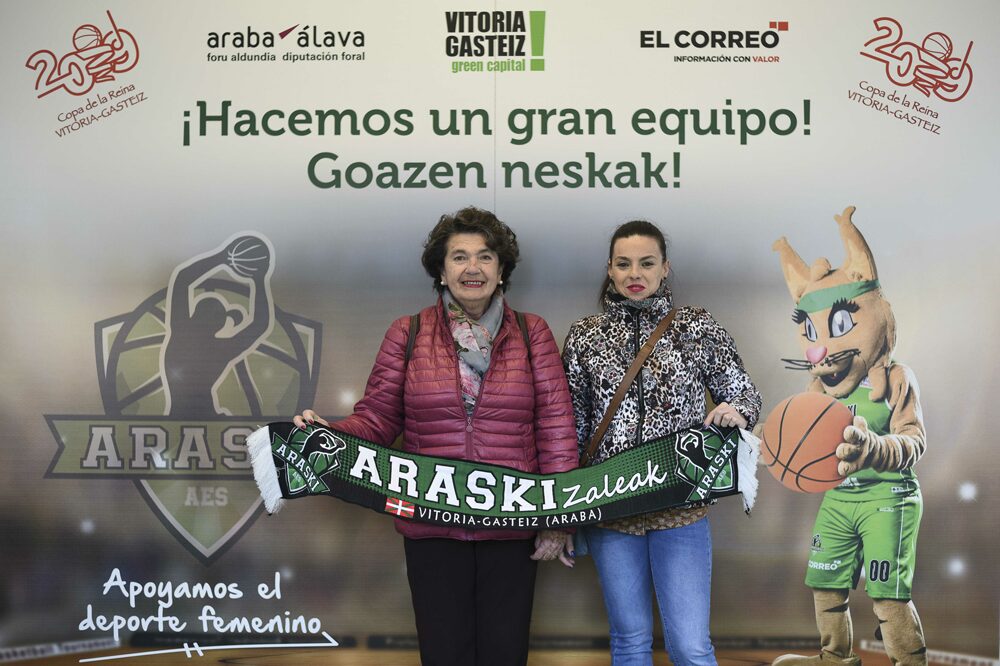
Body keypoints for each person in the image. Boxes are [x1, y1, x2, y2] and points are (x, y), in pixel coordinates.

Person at [294, 206, 578, 666]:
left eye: (485, 257)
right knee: (444, 654)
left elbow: (557, 428)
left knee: (505, 654)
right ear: (441, 271)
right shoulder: (407, 333)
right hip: (432, 522)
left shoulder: (533, 333)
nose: (473, 268)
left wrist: (558, 517)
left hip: (511, 524)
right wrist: (332, 433)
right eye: (459, 257)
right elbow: (377, 421)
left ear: (501, 270)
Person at [562, 220, 762, 666]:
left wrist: (737, 412)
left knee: (690, 647)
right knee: (630, 642)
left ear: (665, 268)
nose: (636, 272)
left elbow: (745, 391)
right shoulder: (584, 336)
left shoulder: (695, 326)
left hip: (681, 509)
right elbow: (571, 427)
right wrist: (566, 511)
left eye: (647, 263)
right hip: (611, 509)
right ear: (610, 270)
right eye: (624, 263)